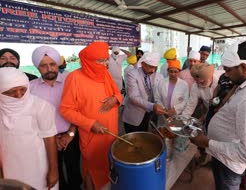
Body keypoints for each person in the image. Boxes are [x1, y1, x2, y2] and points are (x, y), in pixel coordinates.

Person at [191, 41, 246, 190]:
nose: (226, 75)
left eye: (228, 70)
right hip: (223, 155)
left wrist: (206, 142)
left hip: (229, 163)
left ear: (244, 67)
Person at [60, 42, 122, 190]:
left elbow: (118, 93)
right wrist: (91, 124)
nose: (105, 64)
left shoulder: (104, 73)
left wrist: (115, 99)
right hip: (92, 135)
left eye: (106, 60)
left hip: (111, 131)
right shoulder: (74, 78)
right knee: (92, 169)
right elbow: (65, 109)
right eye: (100, 61)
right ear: (87, 61)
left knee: (109, 164)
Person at [29, 46, 81, 190]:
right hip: (45, 140)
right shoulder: (30, 87)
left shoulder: (71, 81)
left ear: (58, 63)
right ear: (37, 67)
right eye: (43, 65)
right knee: (53, 173)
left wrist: (70, 133)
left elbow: (80, 109)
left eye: (52, 64)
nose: (49, 68)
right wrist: (51, 139)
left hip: (72, 135)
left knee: (74, 171)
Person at [0, 67, 58, 190]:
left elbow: (50, 140)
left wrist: (53, 170)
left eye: (23, 89)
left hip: (38, 165)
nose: (19, 95)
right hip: (8, 166)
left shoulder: (40, 106)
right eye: (11, 92)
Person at [122, 52, 167, 133]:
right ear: (143, 64)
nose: (153, 70)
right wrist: (152, 106)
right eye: (150, 67)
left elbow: (160, 93)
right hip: (134, 115)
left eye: (155, 67)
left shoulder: (158, 76)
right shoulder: (132, 74)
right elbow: (133, 97)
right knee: (133, 139)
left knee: (144, 135)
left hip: (148, 114)